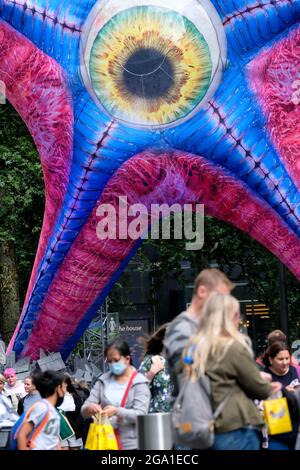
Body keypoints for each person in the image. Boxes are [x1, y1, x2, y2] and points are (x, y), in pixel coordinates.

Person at [186, 293, 281, 450]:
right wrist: (269, 385)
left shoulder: (196, 348)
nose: (239, 319)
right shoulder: (233, 347)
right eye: (237, 314)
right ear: (230, 317)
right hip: (236, 427)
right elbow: (258, 388)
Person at [164, 268, 234, 394]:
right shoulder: (181, 328)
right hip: (193, 408)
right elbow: (190, 374)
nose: (225, 304)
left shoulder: (205, 328)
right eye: (220, 297)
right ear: (202, 292)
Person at [81, 340, 150, 450]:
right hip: (104, 442)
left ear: (127, 359)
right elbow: (84, 410)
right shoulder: (103, 380)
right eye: (109, 361)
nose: (113, 364)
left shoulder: (139, 382)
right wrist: (89, 408)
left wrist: (117, 411)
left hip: (130, 445)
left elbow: (141, 414)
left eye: (116, 360)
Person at [263, 341, 300, 449]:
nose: (285, 362)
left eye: (287, 358)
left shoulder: (294, 371)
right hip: (277, 434)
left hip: (295, 430)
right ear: (270, 359)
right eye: (280, 359)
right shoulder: (265, 376)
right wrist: (283, 392)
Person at [17, 370, 67, 450]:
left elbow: (54, 439)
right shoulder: (42, 408)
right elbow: (21, 434)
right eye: (64, 386)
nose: (66, 390)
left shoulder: (51, 409)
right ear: (58, 388)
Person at [139, 324, 174, 413]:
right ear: (163, 339)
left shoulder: (185, 360)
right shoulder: (150, 360)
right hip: (156, 416)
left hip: (180, 417)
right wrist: (152, 372)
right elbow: (138, 388)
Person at [59, 375, 86, 450]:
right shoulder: (56, 397)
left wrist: (75, 426)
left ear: (66, 384)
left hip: (75, 430)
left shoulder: (75, 396)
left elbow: (80, 414)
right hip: (61, 431)